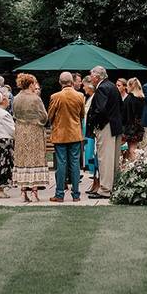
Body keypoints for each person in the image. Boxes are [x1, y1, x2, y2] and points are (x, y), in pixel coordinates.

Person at [47, 71, 85, 202]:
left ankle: (59, 194)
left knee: (61, 163)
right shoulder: (80, 96)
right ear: (72, 82)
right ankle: (76, 195)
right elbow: (82, 115)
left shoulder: (55, 96)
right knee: (75, 163)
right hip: (75, 133)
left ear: (60, 82)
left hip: (60, 134)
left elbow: (50, 115)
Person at [12, 73, 49, 202]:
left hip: (21, 131)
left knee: (22, 159)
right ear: (31, 84)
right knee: (35, 159)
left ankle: (23, 192)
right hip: (34, 131)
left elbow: (15, 114)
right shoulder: (35, 98)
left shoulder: (16, 98)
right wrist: (38, 121)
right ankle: (34, 192)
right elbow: (44, 116)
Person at [88, 65, 122, 199]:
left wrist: (97, 123)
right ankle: (114, 186)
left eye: (91, 75)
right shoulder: (113, 86)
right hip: (116, 125)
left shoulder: (102, 88)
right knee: (113, 159)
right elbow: (120, 105)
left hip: (106, 126)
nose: (90, 78)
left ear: (97, 77)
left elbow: (101, 110)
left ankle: (105, 190)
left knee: (105, 159)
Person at [82, 80, 100, 193]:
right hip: (88, 132)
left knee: (95, 157)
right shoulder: (89, 98)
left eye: (84, 86)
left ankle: (97, 183)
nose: (83, 88)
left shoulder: (95, 98)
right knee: (91, 157)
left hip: (93, 133)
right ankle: (94, 182)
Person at [122, 78, 145, 161]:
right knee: (135, 147)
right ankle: (136, 165)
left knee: (131, 148)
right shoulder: (141, 98)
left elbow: (124, 114)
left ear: (131, 86)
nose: (127, 88)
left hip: (130, 126)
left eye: (127, 86)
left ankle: (134, 166)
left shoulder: (129, 99)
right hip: (139, 126)